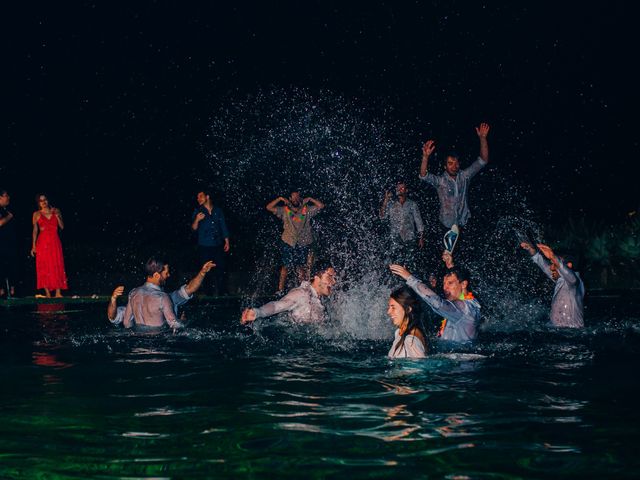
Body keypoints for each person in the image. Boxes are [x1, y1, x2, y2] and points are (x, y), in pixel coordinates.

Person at [419, 123, 490, 248]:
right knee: (446, 258)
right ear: (445, 166)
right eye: (450, 163)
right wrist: (425, 157)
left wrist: (482, 138)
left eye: (456, 163)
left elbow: (483, 160)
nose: (454, 166)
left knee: (467, 256)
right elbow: (424, 175)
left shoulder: (465, 175)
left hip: (464, 223)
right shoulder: (440, 180)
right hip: (446, 226)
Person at [108, 260, 216, 328]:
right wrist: (184, 321)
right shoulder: (162, 297)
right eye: (166, 273)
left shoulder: (133, 294)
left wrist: (113, 300)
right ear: (156, 275)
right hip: (158, 345)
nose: (169, 275)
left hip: (137, 346)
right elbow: (175, 324)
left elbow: (121, 321)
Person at [390, 263, 480, 343]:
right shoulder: (464, 305)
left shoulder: (466, 308)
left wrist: (409, 278)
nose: (445, 288)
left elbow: (437, 303)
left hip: (460, 360)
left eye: (450, 283)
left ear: (464, 284)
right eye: (444, 283)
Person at [241, 262, 336, 325]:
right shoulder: (302, 294)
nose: (334, 282)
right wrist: (258, 312)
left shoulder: (320, 298)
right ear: (316, 277)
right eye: (330, 277)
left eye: (334, 278)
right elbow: (276, 306)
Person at [266, 191, 324, 292]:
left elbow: (321, 206)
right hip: (288, 241)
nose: (296, 200)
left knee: (301, 267)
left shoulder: (307, 210)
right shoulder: (285, 210)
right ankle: (280, 290)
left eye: (297, 198)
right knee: (285, 267)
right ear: (290, 199)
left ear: (300, 198)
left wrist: (310, 198)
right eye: (293, 198)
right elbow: (269, 207)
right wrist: (280, 198)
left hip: (303, 242)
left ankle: (303, 290)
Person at [520, 242, 584, 328]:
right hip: (556, 330)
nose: (551, 267)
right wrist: (532, 250)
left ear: (568, 266)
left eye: (554, 264)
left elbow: (572, 278)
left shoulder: (574, 283)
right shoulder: (561, 279)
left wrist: (553, 257)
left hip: (571, 333)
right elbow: (543, 265)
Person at [191, 189, 230, 295]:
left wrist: (227, 241)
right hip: (204, 246)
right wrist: (197, 220)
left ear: (207, 197)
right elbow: (193, 228)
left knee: (221, 269)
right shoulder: (198, 211)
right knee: (206, 270)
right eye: (197, 197)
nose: (198, 199)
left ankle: (222, 292)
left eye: (200, 196)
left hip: (217, 245)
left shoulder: (218, 210)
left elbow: (223, 226)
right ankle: (208, 293)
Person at [380, 181, 425, 268]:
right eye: (398, 188)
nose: (399, 190)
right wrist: (386, 200)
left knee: (409, 262)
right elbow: (382, 216)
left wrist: (421, 238)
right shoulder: (391, 204)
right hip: (395, 237)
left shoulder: (412, 204)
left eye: (402, 188)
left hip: (409, 237)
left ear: (406, 190)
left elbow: (419, 222)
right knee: (394, 261)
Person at [31, 193, 68, 298]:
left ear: (48, 200)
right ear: (38, 203)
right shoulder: (36, 214)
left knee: (57, 264)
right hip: (42, 242)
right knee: (44, 266)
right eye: (41, 201)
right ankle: (47, 293)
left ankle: (58, 292)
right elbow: (35, 230)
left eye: (45, 200)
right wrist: (33, 246)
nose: (44, 202)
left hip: (54, 241)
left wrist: (57, 216)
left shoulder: (56, 211)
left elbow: (62, 226)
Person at [387, 286, 428, 358]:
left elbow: (420, 367)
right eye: (389, 307)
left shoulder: (411, 341)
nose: (388, 312)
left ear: (408, 309)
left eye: (393, 307)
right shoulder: (399, 332)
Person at [0, 188, 18, 298]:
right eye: (6, 195)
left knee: (11, 266)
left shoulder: (6, 209)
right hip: (2, 244)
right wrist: (9, 217)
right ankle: (2, 291)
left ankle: (11, 290)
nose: (8, 197)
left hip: (9, 243)